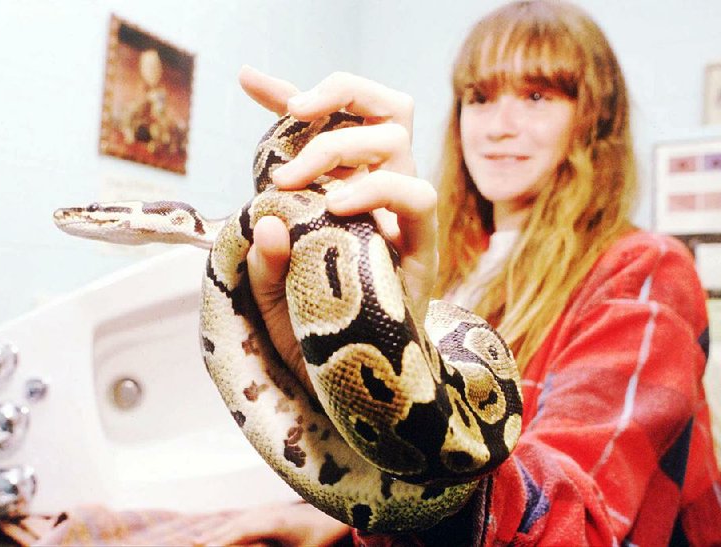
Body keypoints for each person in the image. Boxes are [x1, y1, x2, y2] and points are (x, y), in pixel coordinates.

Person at [193, 1, 721, 545]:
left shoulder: (645, 270)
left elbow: (581, 521)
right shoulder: (441, 264)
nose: (500, 127)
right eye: (481, 97)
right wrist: (335, 507)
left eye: (537, 96)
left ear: (593, 120)